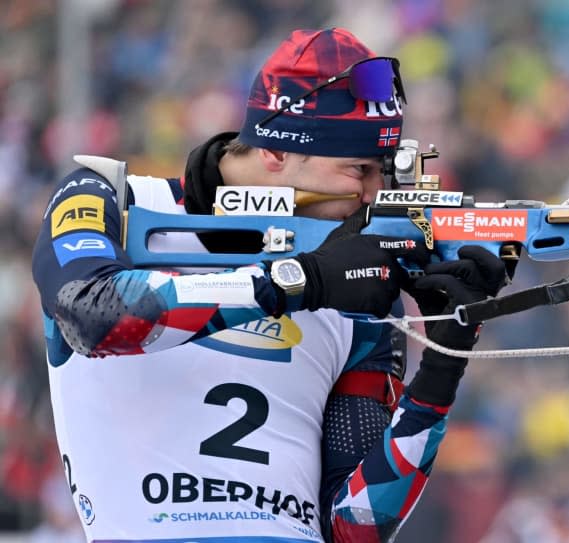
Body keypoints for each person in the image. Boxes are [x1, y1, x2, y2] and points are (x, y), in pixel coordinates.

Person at [31, 27, 508, 542]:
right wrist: (300, 280)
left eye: (384, 172)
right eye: (359, 169)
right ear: (275, 153)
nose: (373, 195)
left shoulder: (361, 288)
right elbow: (93, 315)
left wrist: (440, 372)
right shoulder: (115, 200)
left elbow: (355, 527)